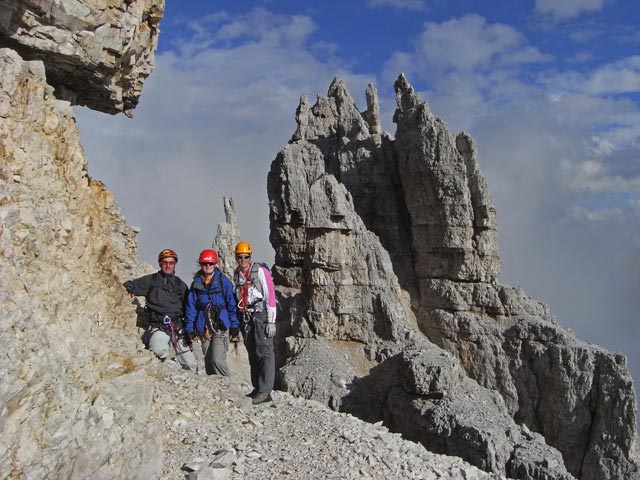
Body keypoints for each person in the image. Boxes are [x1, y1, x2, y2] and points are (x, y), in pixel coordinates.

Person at [123, 248, 197, 370]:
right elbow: (132, 285)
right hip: (159, 325)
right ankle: (167, 367)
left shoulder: (180, 285)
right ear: (160, 264)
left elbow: (189, 308)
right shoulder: (151, 281)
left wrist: (191, 330)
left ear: (175, 264)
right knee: (157, 349)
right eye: (165, 262)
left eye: (171, 262)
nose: (168, 265)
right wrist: (130, 288)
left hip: (178, 327)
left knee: (190, 364)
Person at [233, 241, 277, 405]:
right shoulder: (237, 273)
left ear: (250, 256)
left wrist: (271, 321)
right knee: (253, 352)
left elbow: (270, 295)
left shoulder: (260, 272)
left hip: (261, 315)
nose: (243, 260)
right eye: (240, 257)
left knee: (264, 352)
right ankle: (257, 388)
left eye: (246, 257)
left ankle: (265, 391)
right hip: (246, 316)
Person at [184, 249, 239, 376]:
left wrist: (235, 325)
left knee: (217, 360)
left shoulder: (223, 282)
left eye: (210, 264)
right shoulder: (196, 284)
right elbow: (191, 307)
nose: (207, 266)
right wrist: (190, 328)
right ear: (201, 264)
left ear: (215, 264)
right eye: (204, 264)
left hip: (220, 324)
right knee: (208, 360)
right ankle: (215, 390)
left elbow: (231, 304)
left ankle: (227, 388)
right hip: (203, 325)